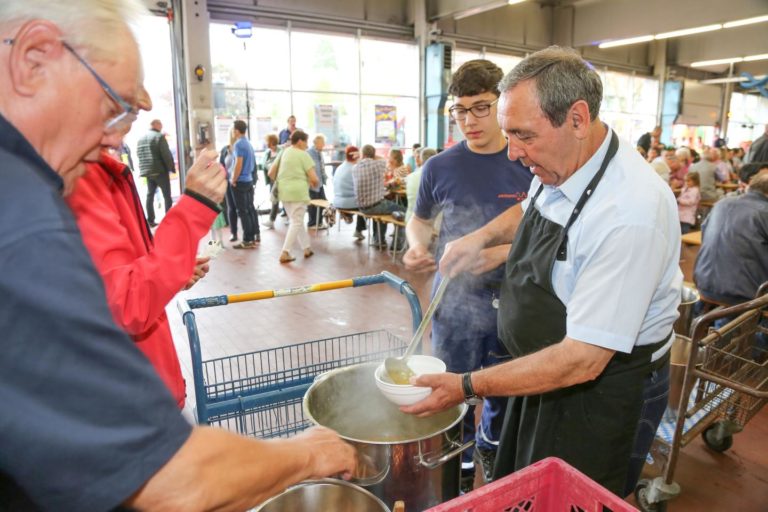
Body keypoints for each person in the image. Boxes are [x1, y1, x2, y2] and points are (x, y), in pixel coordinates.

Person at [0, 2, 355, 509]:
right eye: (113, 107)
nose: (117, 136)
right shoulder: (23, 214)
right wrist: (310, 454)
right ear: (33, 59)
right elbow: (169, 481)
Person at [401, 46, 681, 498]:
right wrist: (480, 240)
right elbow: (531, 212)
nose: (513, 153)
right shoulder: (562, 161)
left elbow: (583, 359)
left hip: (599, 391)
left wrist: (467, 385)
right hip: (544, 373)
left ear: (576, 118)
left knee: (577, 498)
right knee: (529, 490)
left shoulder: (631, 213)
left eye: (523, 136)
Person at [403, 59, 533, 488]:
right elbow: (420, 219)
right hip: (454, 300)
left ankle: (490, 452)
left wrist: (502, 253)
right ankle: (454, 467)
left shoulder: (527, 160)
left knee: (501, 386)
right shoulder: (440, 166)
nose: (469, 121)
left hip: (515, 298)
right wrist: (417, 245)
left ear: (503, 104)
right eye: (459, 110)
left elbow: (550, 230)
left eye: (481, 108)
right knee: (449, 386)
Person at [67, 86, 221, 409]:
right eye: (125, 109)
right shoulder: (82, 179)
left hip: (146, 389)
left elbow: (125, 275)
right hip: (134, 404)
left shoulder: (102, 173)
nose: (146, 104)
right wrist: (193, 207)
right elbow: (128, 301)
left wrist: (174, 271)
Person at [694, 171, 768, 306]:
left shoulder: (722, 203)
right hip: (745, 295)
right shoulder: (765, 211)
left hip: (703, 283)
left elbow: (704, 236)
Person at [269, 130, 320, 263]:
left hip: (284, 192)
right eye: (306, 142)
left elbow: (270, 172)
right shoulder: (303, 155)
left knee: (296, 220)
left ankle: (306, 248)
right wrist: (314, 184)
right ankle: (285, 252)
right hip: (298, 193)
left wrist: (284, 181)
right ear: (300, 141)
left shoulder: (284, 152)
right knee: (296, 222)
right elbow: (314, 178)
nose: (307, 145)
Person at [352, 144, 406, 250]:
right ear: (373, 155)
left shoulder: (355, 168)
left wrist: (364, 155)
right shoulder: (379, 164)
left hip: (361, 207)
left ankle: (379, 240)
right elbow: (384, 159)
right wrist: (372, 155)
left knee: (382, 207)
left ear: (362, 155)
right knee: (404, 211)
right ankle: (397, 245)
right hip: (375, 206)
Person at [137, 119, 174, 226]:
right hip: (160, 171)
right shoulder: (159, 137)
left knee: (150, 195)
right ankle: (169, 220)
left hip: (148, 173)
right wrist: (171, 167)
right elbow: (166, 154)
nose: (161, 127)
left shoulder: (141, 138)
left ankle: (150, 220)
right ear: (156, 125)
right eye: (160, 125)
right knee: (167, 196)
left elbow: (139, 155)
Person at [230, 119, 260, 248]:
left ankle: (247, 239)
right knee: (248, 209)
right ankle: (252, 236)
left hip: (241, 181)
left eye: (233, 129)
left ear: (236, 131)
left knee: (242, 211)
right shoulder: (248, 143)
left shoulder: (239, 144)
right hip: (248, 180)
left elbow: (238, 163)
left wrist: (233, 179)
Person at [333, 145, 367, 240]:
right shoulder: (355, 169)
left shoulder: (341, 166)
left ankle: (349, 216)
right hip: (348, 202)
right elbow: (362, 187)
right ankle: (359, 230)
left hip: (337, 200)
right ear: (356, 156)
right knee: (369, 204)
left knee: (361, 201)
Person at [405, 147, 436, 223]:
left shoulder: (410, 176)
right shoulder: (438, 176)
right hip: (430, 221)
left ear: (421, 159)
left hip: (410, 219)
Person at [220, 128, 239, 242]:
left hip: (239, 182)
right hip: (228, 182)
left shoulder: (241, 148)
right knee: (231, 207)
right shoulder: (225, 150)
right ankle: (233, 232)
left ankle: (253, 233)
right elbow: (221, 166)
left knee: (243, 208)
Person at [307, 133, 328, 229]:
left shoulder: (319, 153)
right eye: (323, 143)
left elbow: (321, 167)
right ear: (317, 143)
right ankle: (312, 223)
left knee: (322, 202)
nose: (324, 145)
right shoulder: (309, 153)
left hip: (319, 183)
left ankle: (318, 222)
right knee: (313, 204)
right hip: (312, 183)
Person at [262, 132, 281, 230]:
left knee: (276, 199)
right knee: (275, 200)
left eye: (267, 142)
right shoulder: (267, 153)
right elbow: (264, 164)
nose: (266, 143)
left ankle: (272, 219)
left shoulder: (280, 151)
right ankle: (272, 220)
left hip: (280, 180)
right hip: (272, 180)